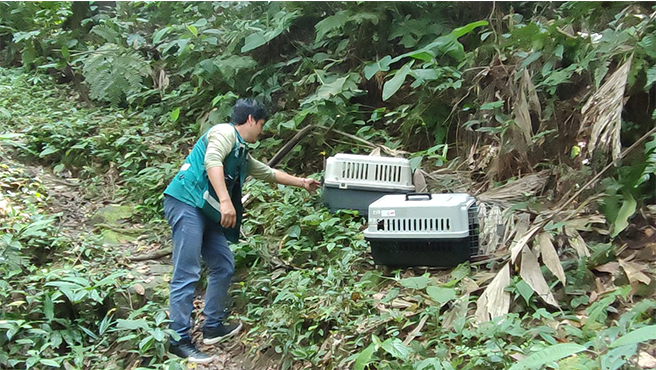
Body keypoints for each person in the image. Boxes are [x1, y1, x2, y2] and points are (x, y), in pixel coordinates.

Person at [162, 98, 320, 363]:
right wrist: (226, 201)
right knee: (187, 271)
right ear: (250, 120)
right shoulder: (224, 133)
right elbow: (213, 160)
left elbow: (267, 172)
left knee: (223, 263)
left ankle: (212, 326)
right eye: (261, 124)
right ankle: (178, 339)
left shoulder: (241, 152)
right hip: (186, 203)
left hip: (206, 212)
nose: (262, 130)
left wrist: (302, 182)